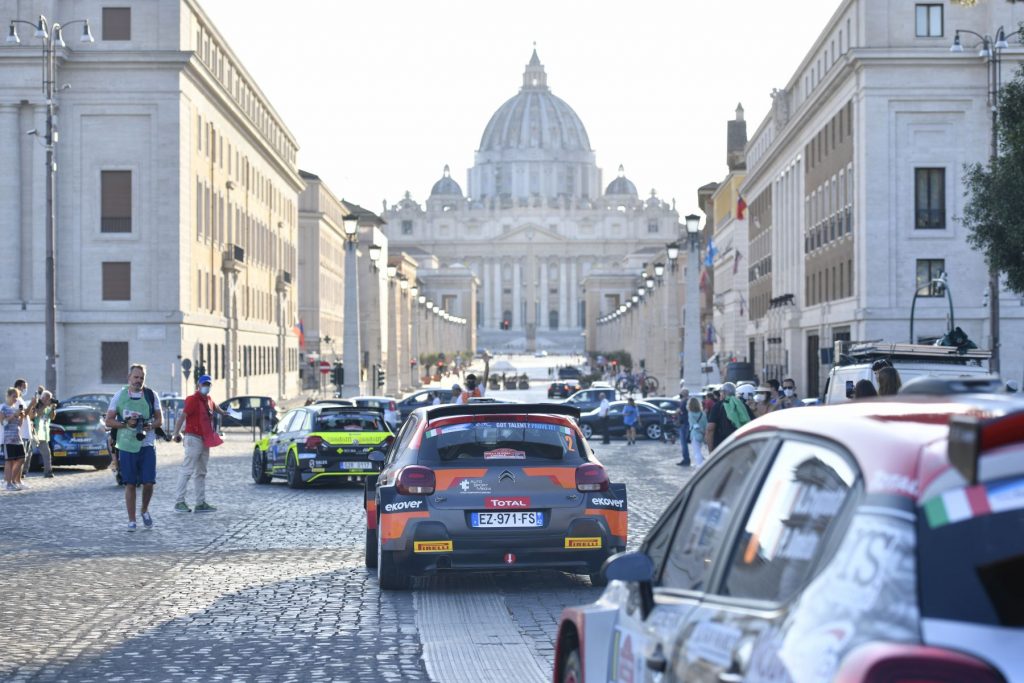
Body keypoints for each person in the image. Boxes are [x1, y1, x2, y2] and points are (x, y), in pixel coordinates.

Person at [106, 364, 163, 531]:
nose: (139, 381)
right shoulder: (119, 396)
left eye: (142, 378)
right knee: (129, 484)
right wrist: (125, 423)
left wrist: (150, 425)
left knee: (149, 482)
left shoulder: (152, 395)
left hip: (147, 444)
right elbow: (108, 420)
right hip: (126, 445)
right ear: (129, 377)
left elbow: (160, 420)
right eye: (136, 377)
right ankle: (132, 520)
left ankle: (144, 509)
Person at [171, 374, 228, 514]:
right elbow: (182, 416)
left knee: (201, 472)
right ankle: (179, 502)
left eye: (208, 384)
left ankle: (200, 503)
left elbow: (218, 409)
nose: (206, 387)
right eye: (204, 384)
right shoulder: (193, 399)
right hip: (193, 438)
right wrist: (176, 433)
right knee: (187, 470)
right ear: (198, 386)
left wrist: (227, 413)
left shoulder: (208, 399)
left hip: (205, 439)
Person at [705, 382, 752, 452]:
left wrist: (711, 451)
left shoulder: (718, 406)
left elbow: (710, 429)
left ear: (723, 393)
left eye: (721, 392)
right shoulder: (743, 406)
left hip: (722, 447)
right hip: (740, 445)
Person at [3, 388, 27, 491]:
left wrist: (21, 416)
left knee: (21, 458)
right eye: (14, 396)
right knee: (10, 461)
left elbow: (19, 425)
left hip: (17, 437)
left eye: (17, 397)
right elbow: (3, 423)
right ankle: (8, 483)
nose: (15, 399)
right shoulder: (3, 407)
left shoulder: (15, 408)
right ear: (8, 396)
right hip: (8, 439)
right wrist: (14, 415)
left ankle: (13, 481)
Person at [31, 390, 55, 478]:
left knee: (47, 454)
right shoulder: (37, 404)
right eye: (48, 398)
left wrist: (53, 408)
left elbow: (52, 417)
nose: (49, 400)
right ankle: (22, 472)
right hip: (34, 434)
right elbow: (37, 414)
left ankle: (48, 472)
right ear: (43, 398)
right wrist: (45, 405)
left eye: (50, 399)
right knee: (28, 454)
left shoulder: (48, 408)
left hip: (43, 435)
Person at [686, 397, 708, 468]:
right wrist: (704, 433)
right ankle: (702, 463)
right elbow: (706, 424)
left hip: (695, 434)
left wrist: (701, 431)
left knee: (697, 451)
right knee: (700, 451)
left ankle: (700, 466)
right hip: (703, 435)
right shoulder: (703, 413)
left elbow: (695, 425)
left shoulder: (690, 414)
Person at [675, 389, 690, 466]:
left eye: (681, 393)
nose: (680, 394)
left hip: (684, 424)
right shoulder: (686, 401)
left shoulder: (684, 402)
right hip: (685, 423)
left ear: (684, 394)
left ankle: (686, 459)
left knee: (683, 443)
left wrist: (678, 411)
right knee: (684, 443)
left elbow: (680, 411)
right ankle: (686, 458)